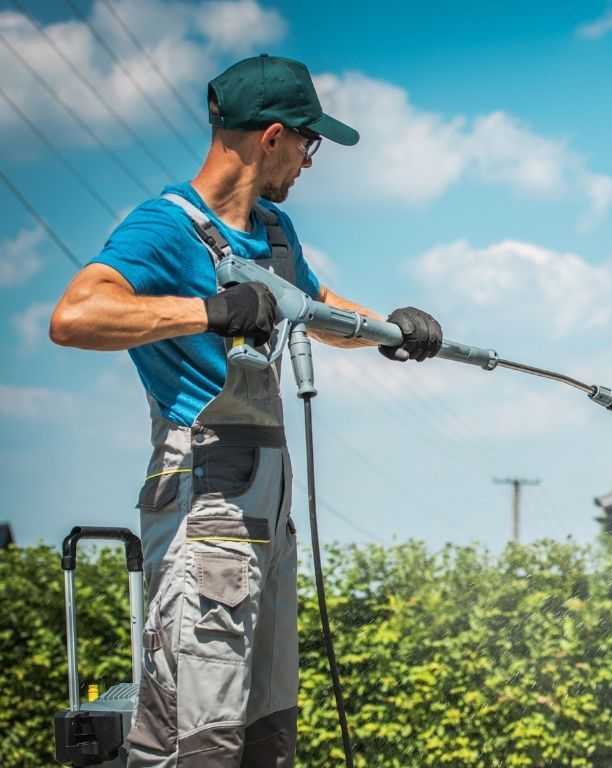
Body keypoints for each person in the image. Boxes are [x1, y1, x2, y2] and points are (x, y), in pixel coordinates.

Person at [48, 54, 442, 767]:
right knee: (200, 737)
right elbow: (76, 314)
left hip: (270, 509)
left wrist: (390, 331)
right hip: (207, 502)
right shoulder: (166, 227)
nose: (309, 161)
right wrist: (208, 310)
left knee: (266, 727)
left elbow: (317, 312)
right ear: (271, 137)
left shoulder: (277, 234)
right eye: (308, 143)